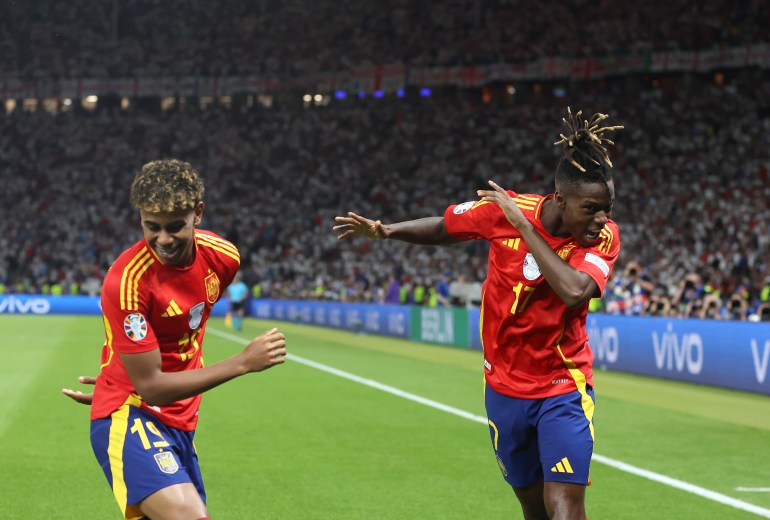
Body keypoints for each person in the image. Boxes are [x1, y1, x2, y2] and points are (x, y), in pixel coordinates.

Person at [333, 108, 623, 520]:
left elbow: (576, 292)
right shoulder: (503, 211)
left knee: (565, 506)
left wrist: (523, 228)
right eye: (591, 208)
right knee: (532, 507)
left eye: (607, 207)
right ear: (560, 199)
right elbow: (445, 227)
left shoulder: (597, 237)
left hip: (562, 386)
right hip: (503, 388)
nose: (602, 219)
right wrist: (387, 231)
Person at [61, 159, 287, 520]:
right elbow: (149, 385)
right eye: (152, 227)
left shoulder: (224, 258)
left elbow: (182, 335)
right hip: (130, 412)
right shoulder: (128, 281)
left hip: (181, 419)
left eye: (174, 227)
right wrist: (242, 362)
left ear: (198, 214)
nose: (162, 239)